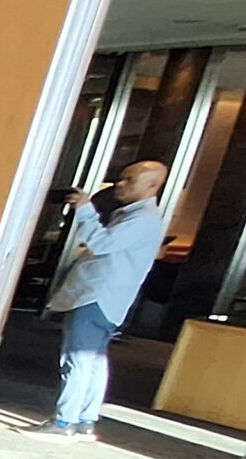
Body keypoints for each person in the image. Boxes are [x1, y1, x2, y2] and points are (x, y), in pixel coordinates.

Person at [30, 160, 168, 442]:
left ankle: (64, 421)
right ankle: (84, 420)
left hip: (96, 295)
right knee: (93, 359)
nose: (121, 184)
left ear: (152, 186)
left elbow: (101, 244)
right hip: (107, 298)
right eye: (123, 178)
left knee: (77, 358)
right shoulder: (138, 217)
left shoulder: (142, 219)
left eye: (129, 180)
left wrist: (84, 210)